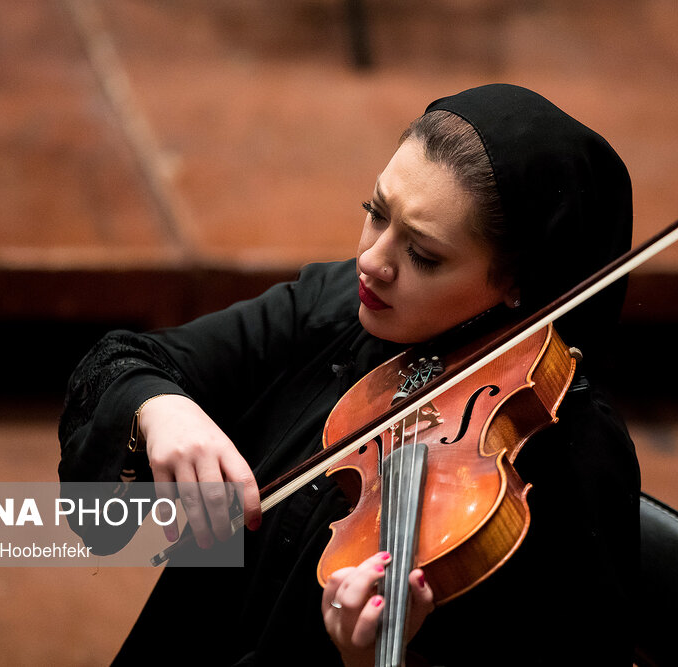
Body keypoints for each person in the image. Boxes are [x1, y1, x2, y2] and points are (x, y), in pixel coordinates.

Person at [59, 83, 640, 666]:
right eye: (376, 214)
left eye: (424, 255)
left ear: (520, 284)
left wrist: (373, 663)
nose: (372, 260)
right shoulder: (340, 306)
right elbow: (122, 360)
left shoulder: (570, 450)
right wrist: (161, 409)